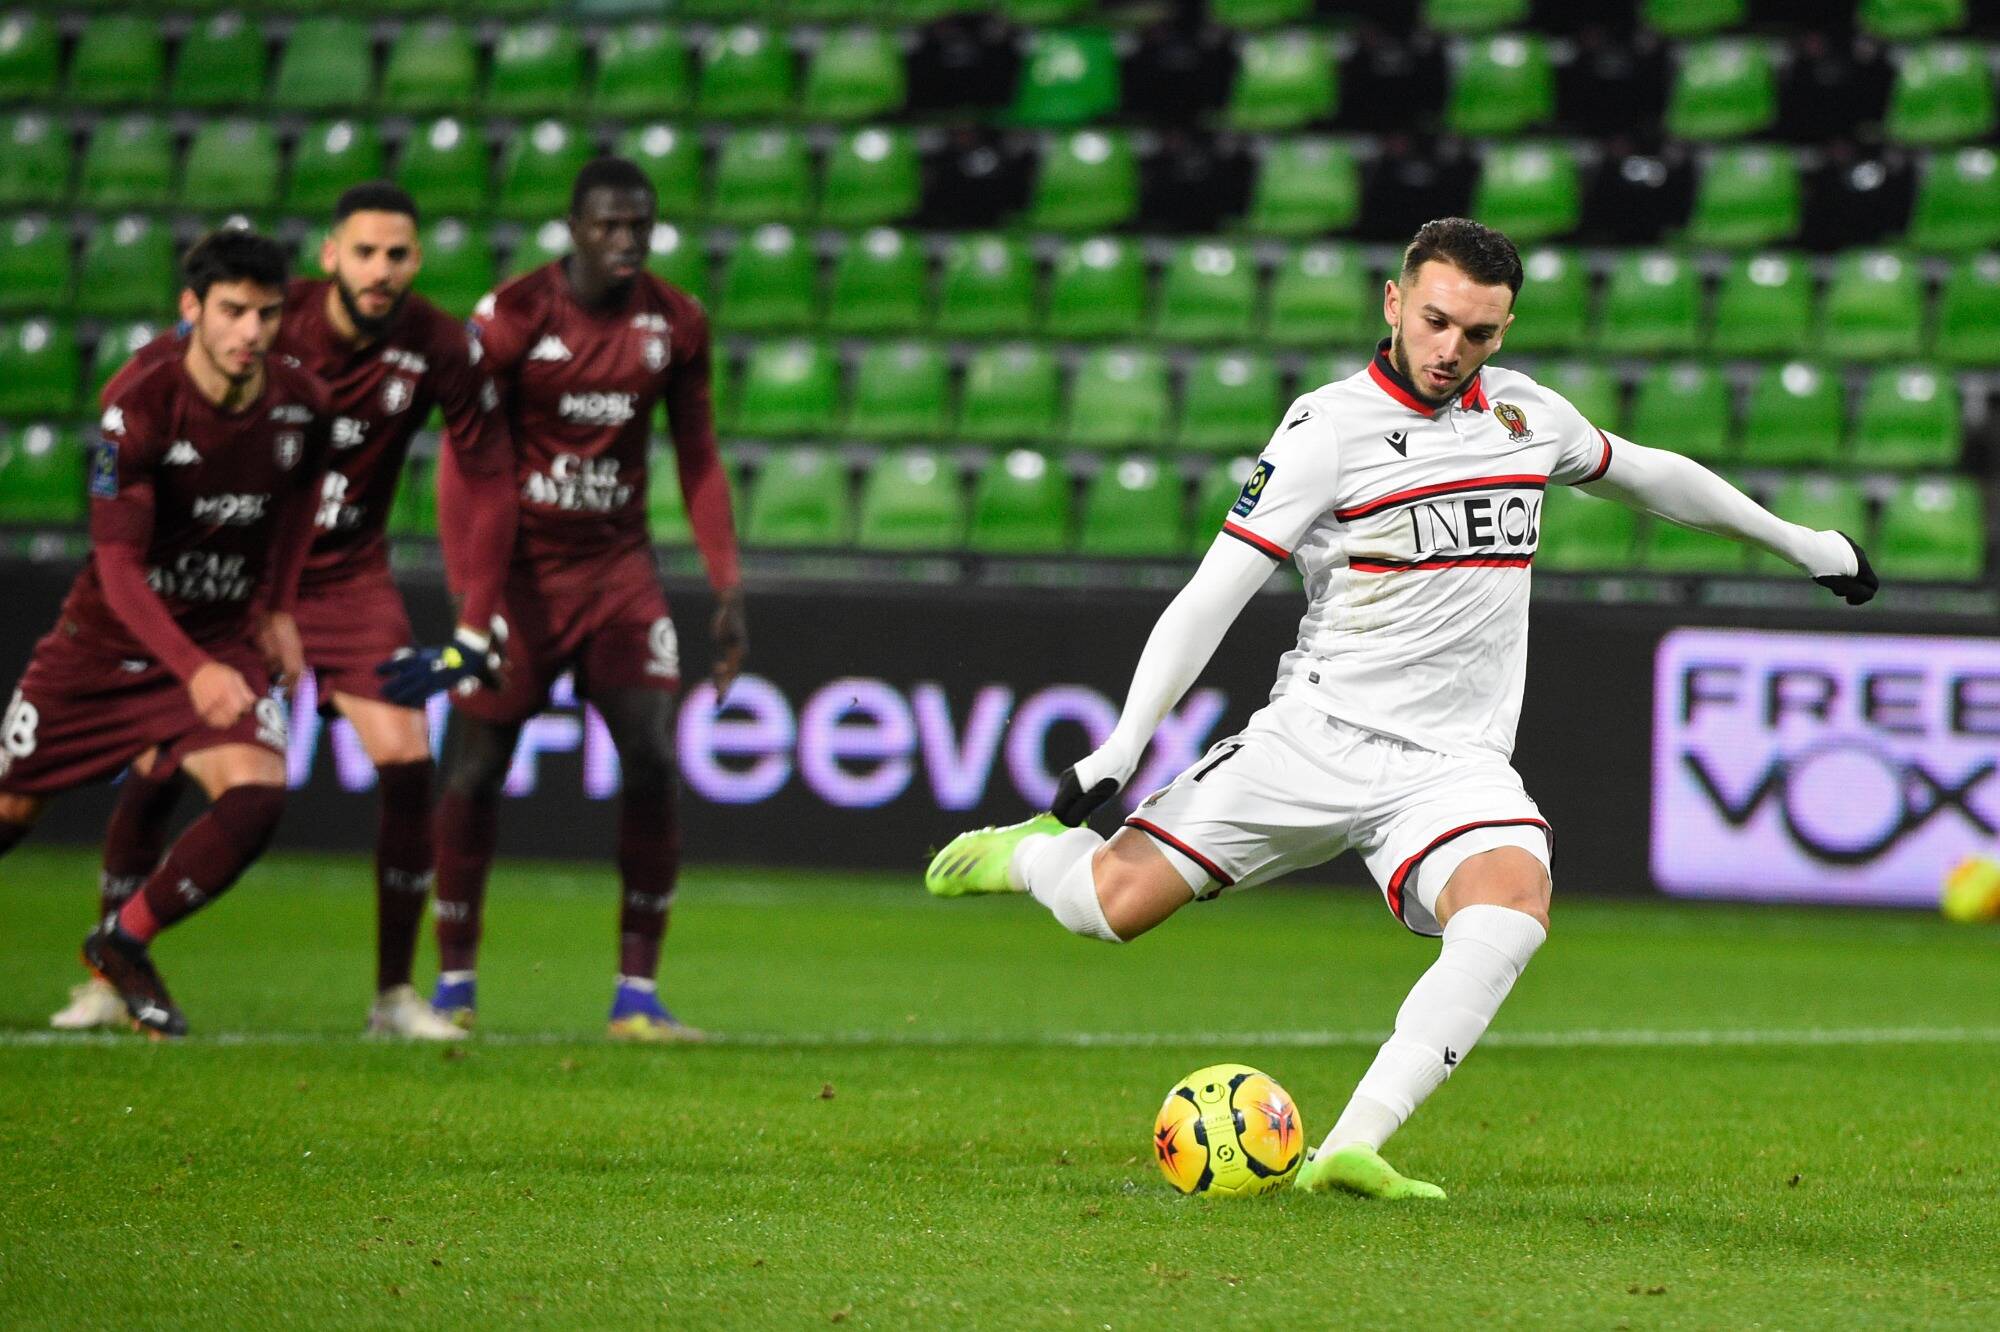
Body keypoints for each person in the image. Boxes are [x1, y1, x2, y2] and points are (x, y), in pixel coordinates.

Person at [924, 218, 1880, 1198]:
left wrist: (1801, 544)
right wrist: (1123, 745)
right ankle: (1028, 855)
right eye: (1434, 321)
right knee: (1105, 908)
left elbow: (1648, 475)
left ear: (1501, 331)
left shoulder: (1522, 418)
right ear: (1392, 302)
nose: (1449, 349)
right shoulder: (1324, 429)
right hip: (1313, 737)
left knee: (1511, 900)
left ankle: (1351, 1145)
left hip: (1450, 764)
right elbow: (1213, 591)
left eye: (1476, 332)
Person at [51, 184, 520, 1040]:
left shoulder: (437, 343)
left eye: (400, 255)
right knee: (161, 762)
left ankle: (391, 997)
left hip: (346, 579)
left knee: (410, 760)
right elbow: (159, 381)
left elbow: (490, 475)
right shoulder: (273, 317)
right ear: (331, 255)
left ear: (417, 261)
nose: (383, 272)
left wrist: (471, 624)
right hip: (239, 574)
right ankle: (107, 969)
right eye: (367, 252)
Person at [427, 157, 746, 1041]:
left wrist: (726, 584)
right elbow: (467, 458)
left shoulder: (677, 323)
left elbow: (699, 457)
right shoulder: (513, 317)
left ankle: (636, 997)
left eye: (638, 225)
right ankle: (453, 985)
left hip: (618, 578)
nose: (625, 241)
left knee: (650, 759)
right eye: (607, 225)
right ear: (572, 227)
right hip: (519, 576)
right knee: (476, 770)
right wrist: (471, 596)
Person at [0, 230, 333, 1038]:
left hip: (218, 639)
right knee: (12, 809)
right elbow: (116, 563)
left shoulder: (301, 402)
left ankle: (123, 941)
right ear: (192, 309)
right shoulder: (137, 403)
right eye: (231, 312)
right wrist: (187, 668)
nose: (249, 332)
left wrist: (279, 605)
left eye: (265, 313)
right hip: (105, 644)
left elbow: (298, 499)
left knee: (258, 794)